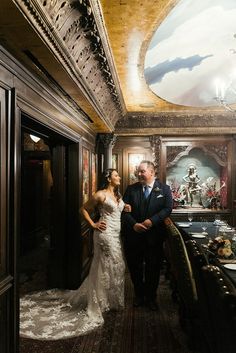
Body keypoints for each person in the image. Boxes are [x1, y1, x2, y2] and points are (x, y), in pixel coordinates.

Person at [20, 168, 131, 340]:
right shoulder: (100, 194)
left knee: (116, 265)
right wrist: (93, 224)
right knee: (106, 264)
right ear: (109, 178)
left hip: (116, 234)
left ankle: (110, 299)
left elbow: (116, 210)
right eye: (116, 175)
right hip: (104, 234)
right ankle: (100, 302)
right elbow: (83, 209)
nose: (119, 177)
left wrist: (125, 207)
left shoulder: (117, 195)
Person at [122, 160, 173, 311]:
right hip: (134, 236)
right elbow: (123, 210)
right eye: (138, 171)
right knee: (135, 267)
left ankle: (151, 297)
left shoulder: (164, 189)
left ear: (152, 172)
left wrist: (152, 221)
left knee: (153, 268)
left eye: (142, 171)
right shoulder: (131, 189)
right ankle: (139, 295)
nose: (139, 174)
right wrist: (133, 225)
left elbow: (168, 208)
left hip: (154, 237)